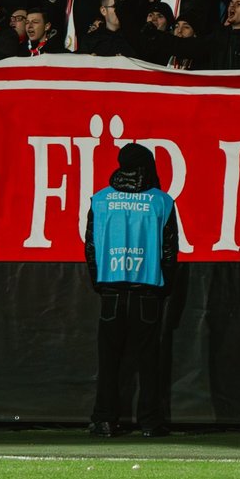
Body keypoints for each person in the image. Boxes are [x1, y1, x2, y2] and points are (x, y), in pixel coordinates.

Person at [83, 143, 179, 438]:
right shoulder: (162, 202)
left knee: (109, 359)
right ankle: (150, 422)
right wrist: (166, 287)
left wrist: (99, 282)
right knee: (149, 360)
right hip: (148, 288)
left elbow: (91, 246)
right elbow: (169, 251)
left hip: (111, 288)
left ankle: (104, 420)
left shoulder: (100, 201)